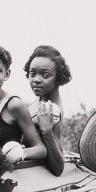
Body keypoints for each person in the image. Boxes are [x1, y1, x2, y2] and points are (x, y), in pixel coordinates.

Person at [0, 44, 46, 165]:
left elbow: (40, 149)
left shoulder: (13, 105)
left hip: (7, 173)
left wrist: (16, 153)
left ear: (6, 74)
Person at [23, 45, 71, 176]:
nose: (36, 80)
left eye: (45, 75)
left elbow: (58, 168)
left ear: (58, 77)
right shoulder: (38, 103)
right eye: (32, 74)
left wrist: (47, 131)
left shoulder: (51, 110)